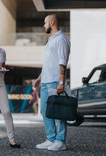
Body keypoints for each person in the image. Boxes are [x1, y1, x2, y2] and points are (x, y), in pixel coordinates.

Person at [34, 14, 71, 151]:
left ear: (52, 22)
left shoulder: (61, 39)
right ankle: (51, 139)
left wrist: (61, 83)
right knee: (46, 111)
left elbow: (62, 63)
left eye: (45, 23)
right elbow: (49, 62)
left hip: (55, 81)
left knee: (59, 112)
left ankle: (60, 141)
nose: (44, 26)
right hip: (45, 81)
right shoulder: (51, 40)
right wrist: (39, 78)